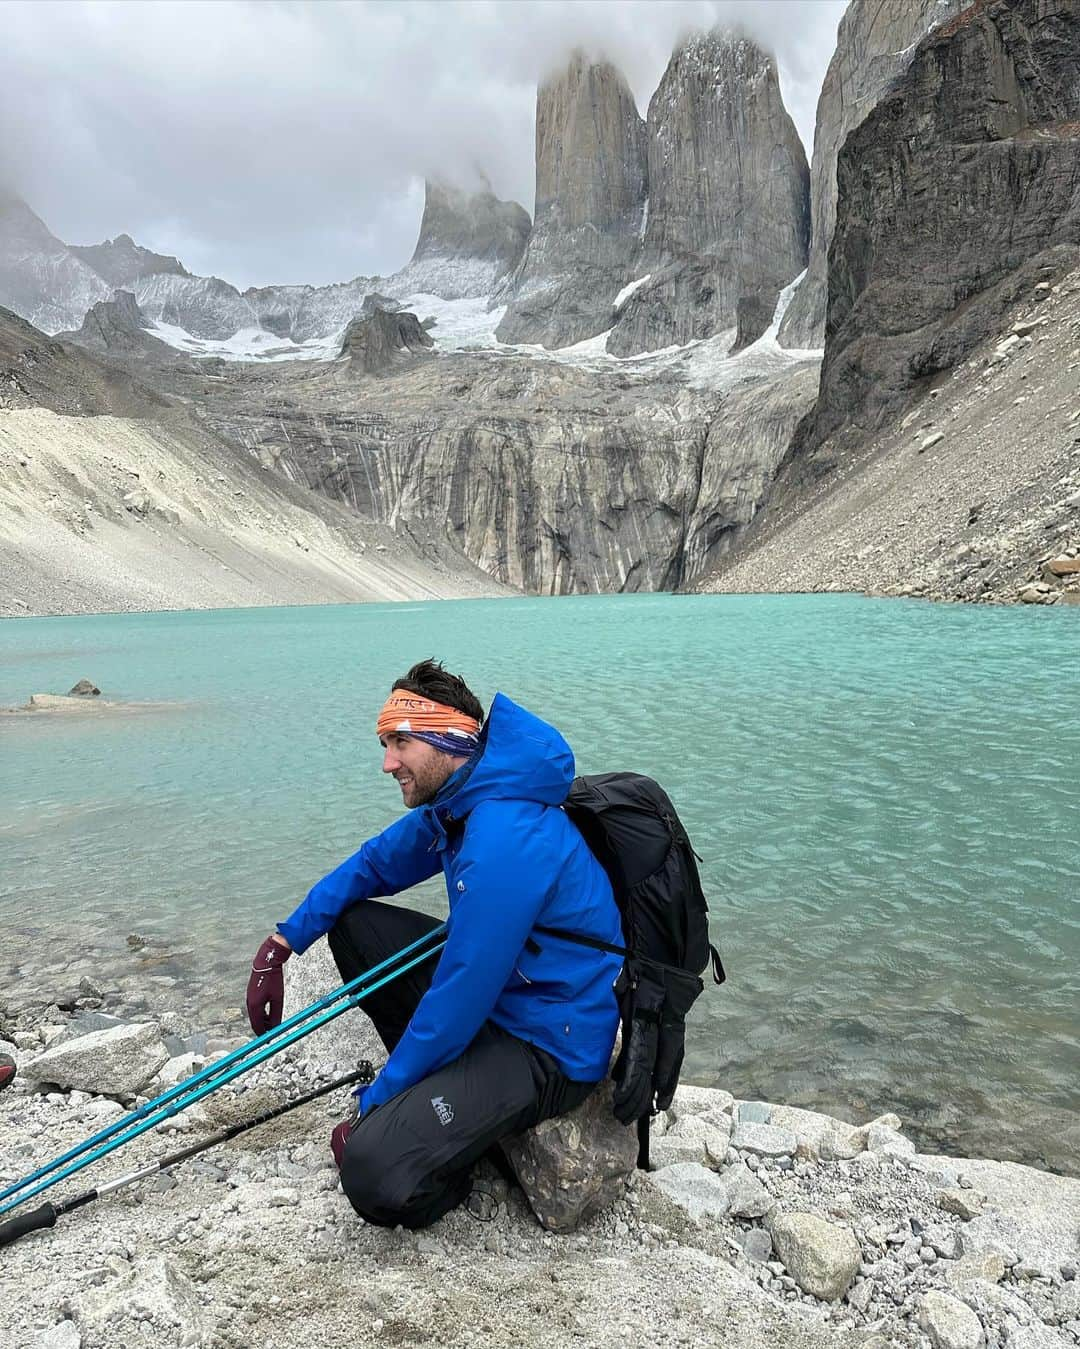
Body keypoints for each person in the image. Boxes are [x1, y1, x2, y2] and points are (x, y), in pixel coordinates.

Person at [245, 659, 623, 1229]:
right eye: (384, 743)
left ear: (448, 738)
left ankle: (449, 1157)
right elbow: (374, 863)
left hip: (547, 1040)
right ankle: (436, 1107)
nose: (387, 762)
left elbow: (460, 998)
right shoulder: (460, 804)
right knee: (352, 922)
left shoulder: (503, 837)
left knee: (372, 1173)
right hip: (501, 1000)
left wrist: (378, 1101)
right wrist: (283, 941)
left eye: (400, 742)